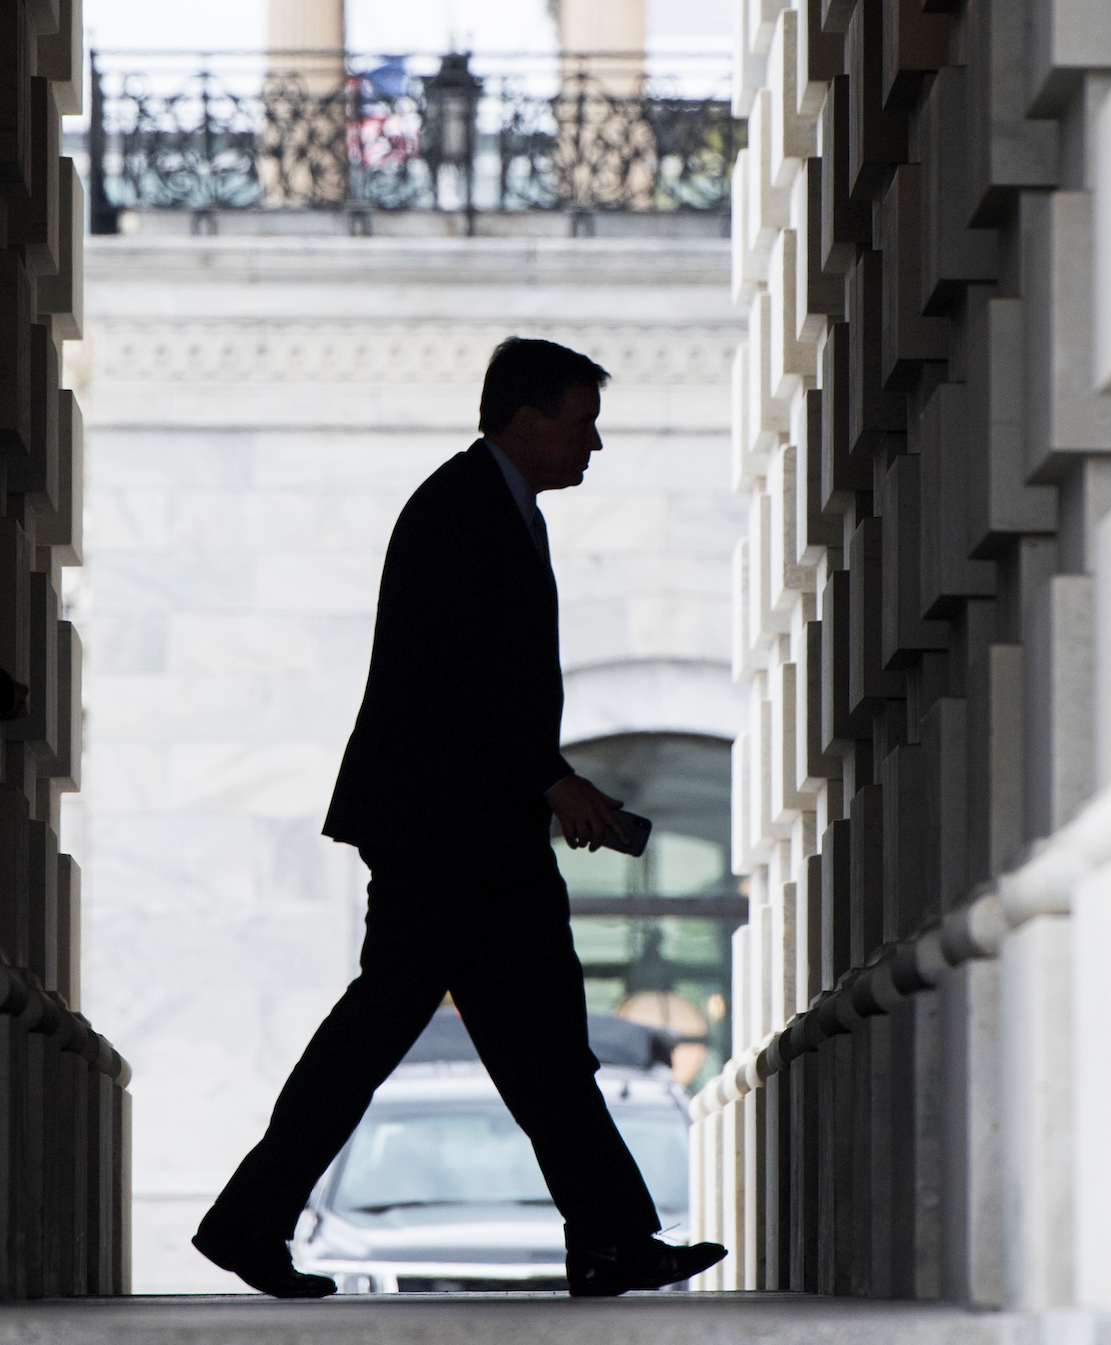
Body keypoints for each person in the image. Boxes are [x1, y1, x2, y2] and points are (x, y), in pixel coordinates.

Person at [192, 338, 729, 1298]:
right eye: (581, 421)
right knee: (385, 1033)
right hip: (445, 839)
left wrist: (549, 784)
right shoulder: (461, 509)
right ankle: (247, 1223)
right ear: (526, 423)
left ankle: (610, 1238)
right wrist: (550, 780)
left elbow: (484, 684)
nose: (594, 445)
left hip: (478, 837)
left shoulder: (491, 506)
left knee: (549, 1050)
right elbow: (456, 676)